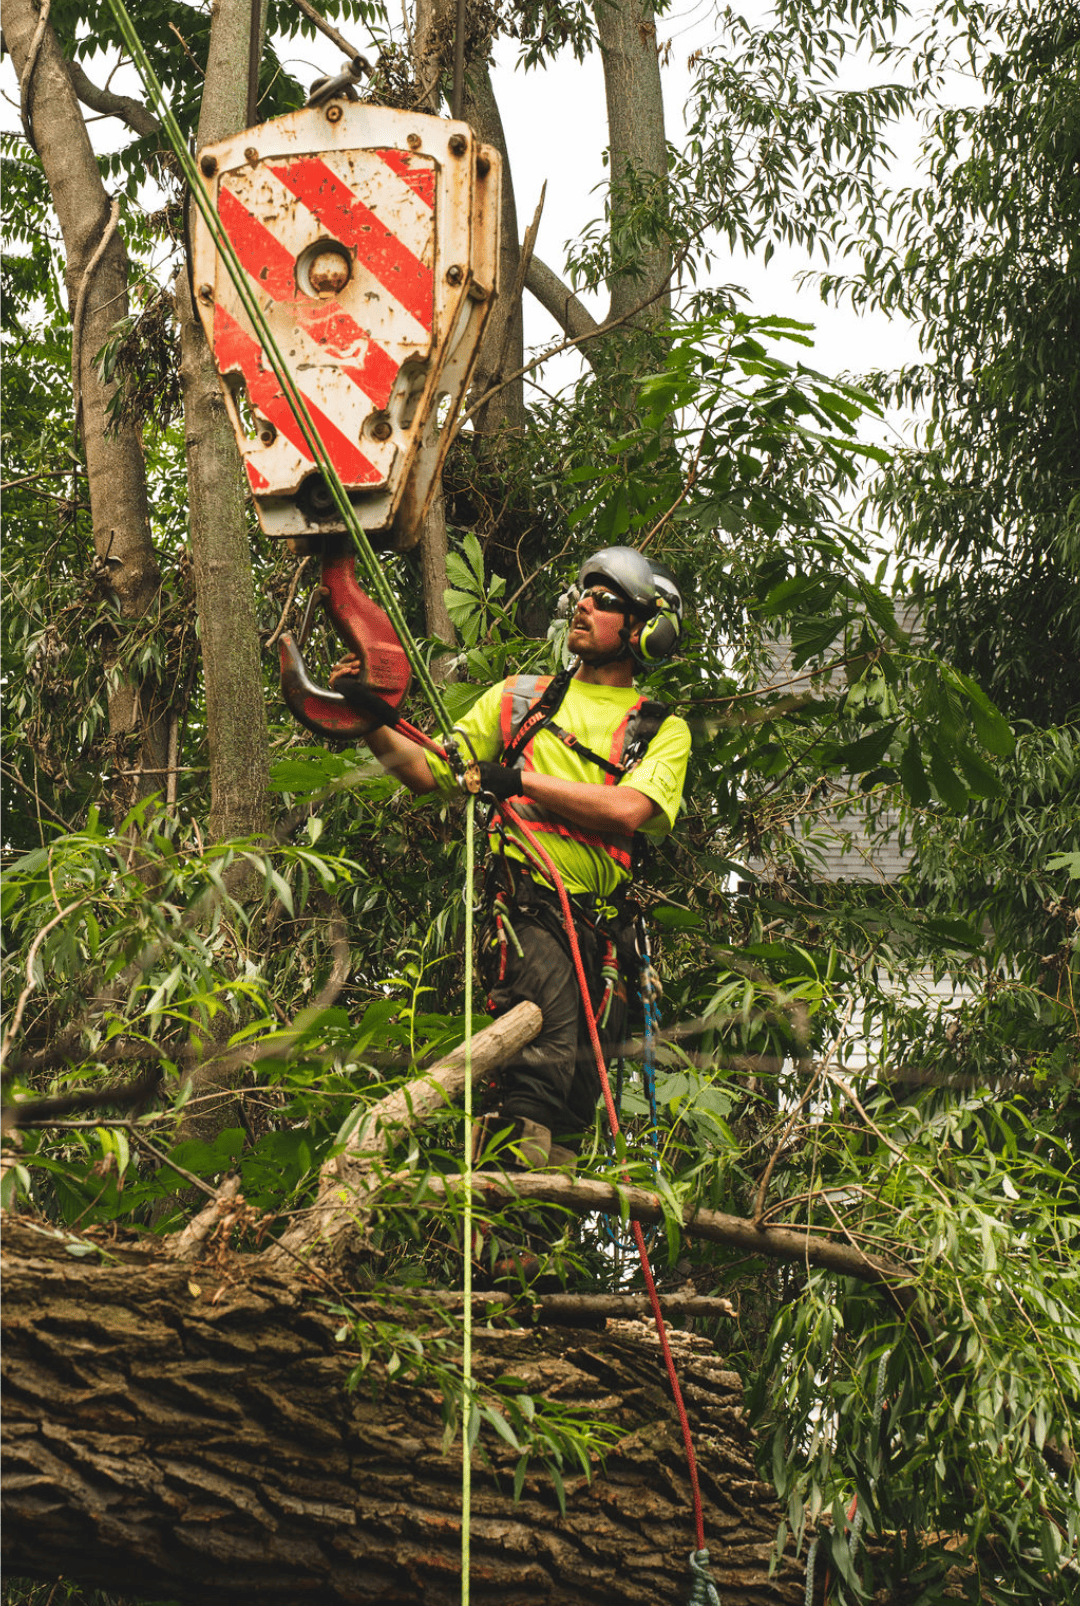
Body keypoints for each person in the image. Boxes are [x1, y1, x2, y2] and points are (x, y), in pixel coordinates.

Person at [330, 545, 691, 1172]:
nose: (583, 604)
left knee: (581, 1092)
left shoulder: (659, 728)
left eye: (605, 601)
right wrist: (370, 716)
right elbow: (425, 770)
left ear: (644, 630)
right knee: (538, 1064)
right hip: (531, 907)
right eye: (582, 594)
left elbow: (628, 810)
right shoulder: (518, 701)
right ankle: (501, 1230)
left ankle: (539, 1249)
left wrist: (517, 782)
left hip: (606, 935)